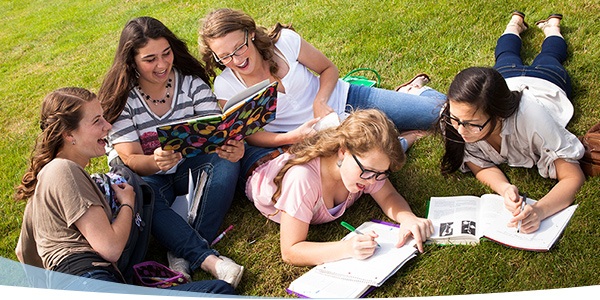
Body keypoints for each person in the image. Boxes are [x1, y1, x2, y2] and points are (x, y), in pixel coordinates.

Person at [14, 87, 235, 295]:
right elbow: (110, 249)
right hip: (89, 281)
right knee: (216, 292)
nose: (107, 126)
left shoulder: (44, 181)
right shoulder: (65, 170)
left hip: (84, 284)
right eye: (96, 121)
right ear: (68, 134)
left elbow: (23, 252)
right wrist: (127, 203)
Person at [198, 8, 447, 182]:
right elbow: (250, 134)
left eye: (239, 48)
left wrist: (320, 100)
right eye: (225, 57)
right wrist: (290, 136)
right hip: (308, 136)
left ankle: (416, 92)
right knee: (364, 165)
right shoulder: (226, 85)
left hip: (346, 100)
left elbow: (328, 69)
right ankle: (400, 137)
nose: (237, 59)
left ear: (249, 33)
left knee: (439, 115)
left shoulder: (284, 42)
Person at [97, 17, 243, 288]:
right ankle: (204, 256)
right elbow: (129, 159)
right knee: (140, 191)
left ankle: (180, 251)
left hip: (190, 167)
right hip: (147, 176)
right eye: (150, 59)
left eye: (166, 54)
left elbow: (214, 132)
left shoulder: (191, 84)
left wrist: (231, 149)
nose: (162, 65)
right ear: (132, 61)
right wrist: (154, 162)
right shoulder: (122, 98)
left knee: (226, 163)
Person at [438, 11, 586, 234]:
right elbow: (477, 162)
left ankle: (552, 28)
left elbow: (573, 176)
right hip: (506, 77)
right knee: (505, 54)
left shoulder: (532, 119)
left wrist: (539, 210)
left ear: (499, 115)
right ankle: (515, 24)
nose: (460, 130)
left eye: (472, 124)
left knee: (550, 57)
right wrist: (504, 187)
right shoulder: (455, 113)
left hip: (546, 81)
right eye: (456, 120)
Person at [245, 108, 434, 266]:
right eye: (368, 171)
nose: (371, 181)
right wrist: (347, 248)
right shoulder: (302, 181)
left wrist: (407, 217)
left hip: (289, 155)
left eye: (380, 174)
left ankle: (408, 138)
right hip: (255, 166)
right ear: (343, 151)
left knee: (394, 151)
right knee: (238, 147)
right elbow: (291, 250)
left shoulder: (366, 169)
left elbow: (388, 196)